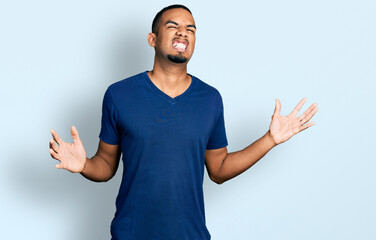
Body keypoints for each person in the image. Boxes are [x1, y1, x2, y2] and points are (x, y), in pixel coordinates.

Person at [49, 4, 318, 240]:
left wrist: (269, 139)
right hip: (130, 235)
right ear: (152, 39)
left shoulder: (210, 99)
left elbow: (219, 169)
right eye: (173, 26)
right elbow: (106, 165)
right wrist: (84, 165)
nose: (183, 32)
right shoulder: (119, 95)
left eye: (191, 28)